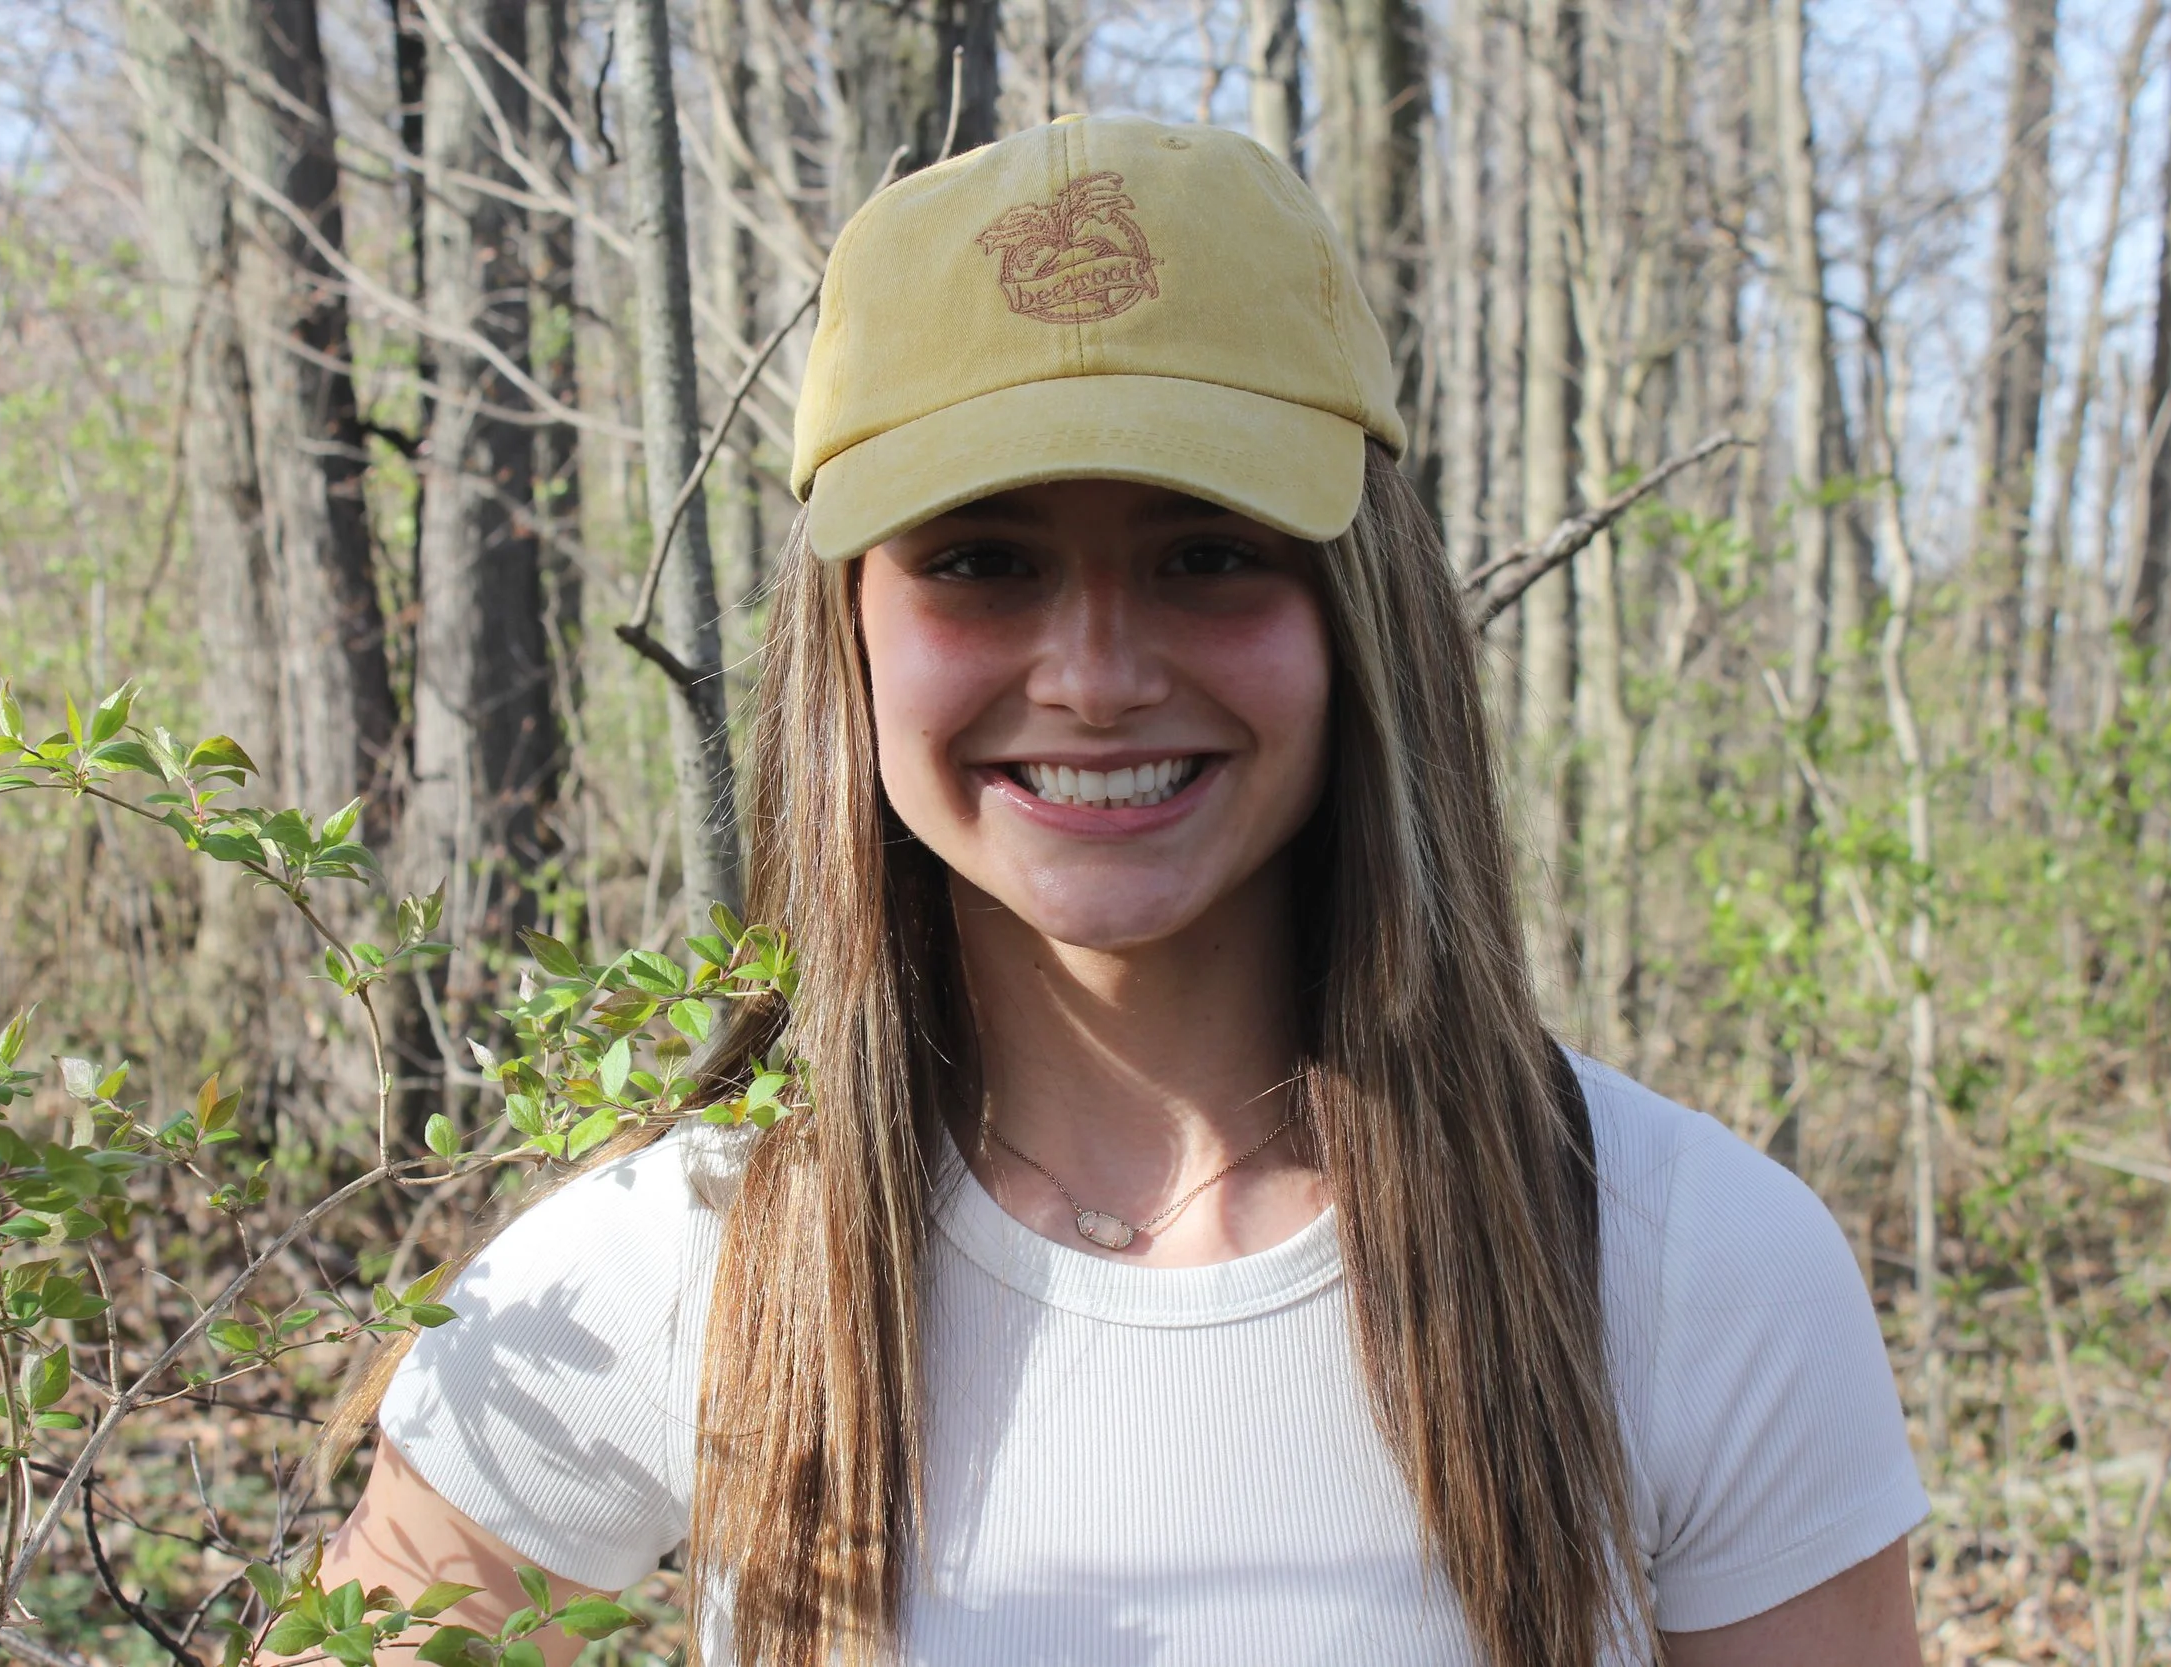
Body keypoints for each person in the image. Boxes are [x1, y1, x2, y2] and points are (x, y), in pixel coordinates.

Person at [317, 115, 1928, 1667]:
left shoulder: (1687, 1265)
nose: (1093, 676)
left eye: (1209, 550)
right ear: (849, 632)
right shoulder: (691, 1263)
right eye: (980, 559)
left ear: (1362, 613)